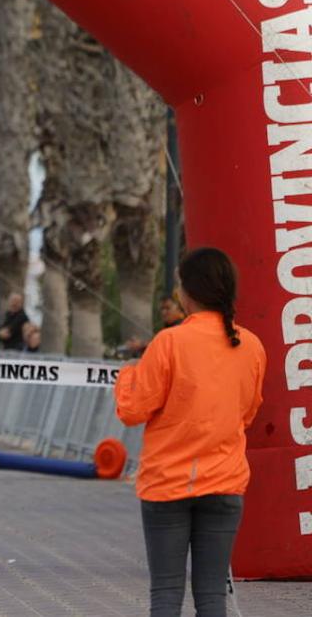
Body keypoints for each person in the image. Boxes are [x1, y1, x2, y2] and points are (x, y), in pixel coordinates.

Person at [114, 247, 265, 617]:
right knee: (213, 594)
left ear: (187, 292)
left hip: (167, 483)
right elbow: (247, 414)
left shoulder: (169, 343)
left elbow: (132, 411)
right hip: (225, 481)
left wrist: (127, 375)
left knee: (166, 592)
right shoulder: (252, 346)